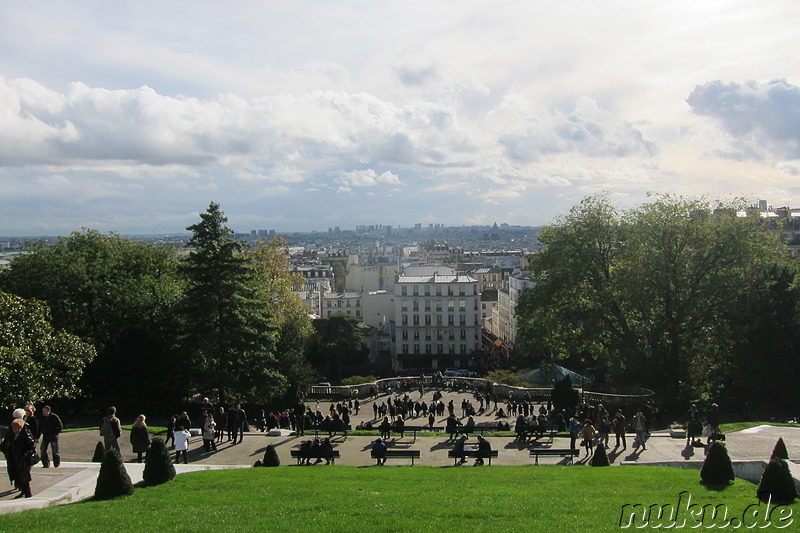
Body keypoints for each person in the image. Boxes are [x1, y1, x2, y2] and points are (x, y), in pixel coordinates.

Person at [1, 418, 36, 498]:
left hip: (23, 459)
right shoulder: (12, 434)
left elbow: (30, 444)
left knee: (24, 476)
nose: (14, 429)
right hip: (14, 458)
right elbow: (5, 444)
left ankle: (27, 492)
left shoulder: (25, 434)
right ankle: (22, 491)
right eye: (13, 427)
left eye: (15, 427)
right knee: (16, 475)